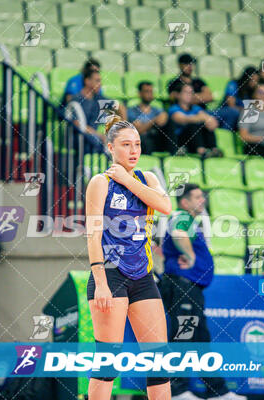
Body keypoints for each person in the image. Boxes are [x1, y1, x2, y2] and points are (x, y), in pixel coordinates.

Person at [85, 115, 172, 400]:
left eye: (137, 144)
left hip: (143, 276)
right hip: (110, 275)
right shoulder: (100, 183)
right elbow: (93, 235)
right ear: (111, 148)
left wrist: (128, 180)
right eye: (125, 145)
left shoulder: (147, 178)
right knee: (108, 363)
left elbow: (165, 206)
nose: (134, 151)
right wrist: (100, 282)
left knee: (159, 362)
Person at [159, 183, 246, 400]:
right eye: (197, 197)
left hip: (190, 288)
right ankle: (177, 391)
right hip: (183, 287)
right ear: (185, 202)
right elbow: (178, 234)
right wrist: (191, 256)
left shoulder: (188, 219)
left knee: (200, 340)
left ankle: (218, 391)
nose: (202, 200)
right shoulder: (182, 216)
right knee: (184, 336)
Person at [70, 69, 126, 144]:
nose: (100, 84)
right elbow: (77, 123)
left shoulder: (99, 98)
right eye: (97, 81)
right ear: (87, 81)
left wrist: (124, 128)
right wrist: (99, 135)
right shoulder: (76, 99)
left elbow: (120, 107)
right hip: (78, 138)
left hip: (94, 138)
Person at [167, 81, 221, 157]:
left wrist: (204, 119)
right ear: (178, 95)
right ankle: (201, 151)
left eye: (191, 93)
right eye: (186, 92)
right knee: (193, 125)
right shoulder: (173, 109)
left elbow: (213, 124)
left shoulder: (196, 108)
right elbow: (183, 119)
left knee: (205, 127)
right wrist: (203, 118)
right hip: (181, 141)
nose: (189, 95)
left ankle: (214, 150)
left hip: (195, 139)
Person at [127, 81, 169, 154]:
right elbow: (138, 130)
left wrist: (146, 125)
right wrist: (154, 120)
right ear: (139, 93)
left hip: (157, 139)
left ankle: (174, 152)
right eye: (147, 91)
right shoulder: (132, 111)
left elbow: (162, 121)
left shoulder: (157, 110)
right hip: (142, 141)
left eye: (151, 92)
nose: (150, 94)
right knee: (143, 139)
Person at [212, 66, 259, 131]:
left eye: (256, 81)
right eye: (252, 80)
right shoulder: (233, 84)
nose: (253, 83)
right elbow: (231, 105)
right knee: (234, 112)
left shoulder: (253, 91)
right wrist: (245, 110)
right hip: (226, 111)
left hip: (241, 116)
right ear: (246, 78)